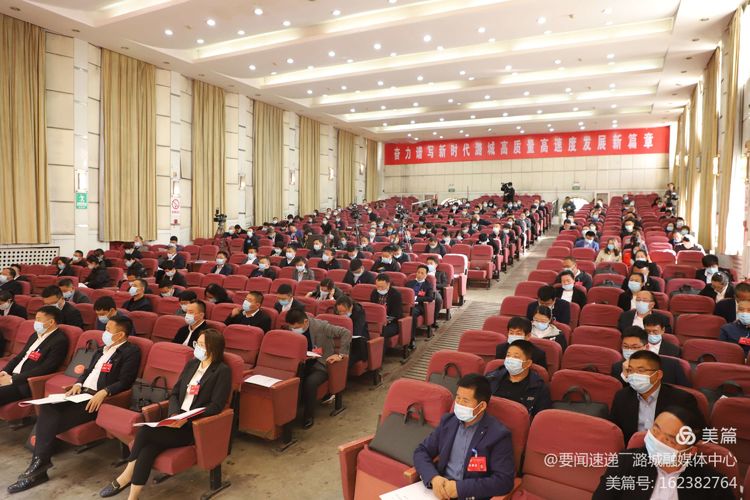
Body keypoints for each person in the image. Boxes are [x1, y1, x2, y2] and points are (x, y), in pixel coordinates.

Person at [7, 317, 141, 493]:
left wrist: (105, 392)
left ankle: (37, 468)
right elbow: (87, 371)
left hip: (98, 400)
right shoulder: (101, 350)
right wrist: (78, 383)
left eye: (108, 330)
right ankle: (39, 465)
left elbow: (125, 381)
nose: (104, 333)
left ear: (120, 335)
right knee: (48, 407)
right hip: (81, 394)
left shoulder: (130, 352)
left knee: (49, 420)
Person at [99, 329, 231, 499]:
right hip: (175, 418)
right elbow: (174, 393)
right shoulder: (192, 364)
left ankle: (126, 476)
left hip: (193, 426)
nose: (197, 348)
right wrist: (174, 414)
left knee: (145, 431)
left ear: (213, 348)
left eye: (202, 345)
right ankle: (133, 497)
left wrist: (187, 419)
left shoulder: (222, 371)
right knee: (147, 451)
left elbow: (216, 406)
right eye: (197, 343)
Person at [593, 407, 733, 500]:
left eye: (669, 440)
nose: (657, 441)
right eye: (655, 431)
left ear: (690, 452)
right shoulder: (625, 462)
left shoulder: (713, 484)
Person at [413, 374, 515, 499]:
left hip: (469, 494)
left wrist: (460, 489)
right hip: (439, 491)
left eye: (465, 401)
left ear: (481, 406)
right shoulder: (448, 422)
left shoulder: (498, 435)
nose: (459, 404)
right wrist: (433, 478)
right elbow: (421, 451)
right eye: (458, 398)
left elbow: (504, 481)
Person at [609, 349, 700, 442]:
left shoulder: (682, 399)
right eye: (630, 370)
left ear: (658, 375)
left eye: (641, 370)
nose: (634, 375)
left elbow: (697, 433)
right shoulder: (622, 397)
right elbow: (614, 432)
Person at [286, 309, 351, 429]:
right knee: (292, 380)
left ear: (305, 322)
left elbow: (346, 333)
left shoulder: (321, 326)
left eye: (296, 327)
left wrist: (341, 355)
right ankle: (290, 414)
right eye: (291, 327)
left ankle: (308, 416)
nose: (293, 330)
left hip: (321, 363)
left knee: (310, 383)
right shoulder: (291, 328)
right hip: (302, 362)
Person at [0, 306, 69, 405]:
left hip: (24, 383)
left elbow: (46, 368)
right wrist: (4, 371)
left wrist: (12, 380)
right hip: (12, 376)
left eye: (39, 320)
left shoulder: (59, 341)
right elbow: (20, 357)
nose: (35, 323)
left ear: (51, 322)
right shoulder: (35, 335)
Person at [487, 339, 551, 416]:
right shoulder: (491, 378)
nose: (510, 360)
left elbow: (540, 417)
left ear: (528, 363)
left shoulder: (539, 388)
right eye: (508, 355)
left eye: (516, 357)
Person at [611, 327, 689, 387]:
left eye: (634, 347)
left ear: (646, 347)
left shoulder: (672, 366)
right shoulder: (617, 368)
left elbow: (686, 393)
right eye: (625, 346)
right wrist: (625, 377)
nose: (629, 350)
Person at [405, 265, 435, 347]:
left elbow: (430, 298)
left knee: (412, 313)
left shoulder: (428, 285)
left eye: (422, 273)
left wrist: (416, 298)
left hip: (419, 306)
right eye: (418, 272)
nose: (419, 274)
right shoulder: (409, 283)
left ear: (426, 275)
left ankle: (411, 338)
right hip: (408, 304)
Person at [335, 296, 368, 366]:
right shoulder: (336, 310)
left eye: (344, 311)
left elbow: (357, 332)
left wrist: (347, 322)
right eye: (340, 312)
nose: (342, 314)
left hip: (357, 343)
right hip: (341, 342)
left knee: (344, 361)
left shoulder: (359, 312)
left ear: (351, 307)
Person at [370, 274, 402, 339]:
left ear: (388, 284)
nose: (379, 289)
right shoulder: (374, 293)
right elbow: (373, 308)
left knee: (382, 332)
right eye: (378, 286)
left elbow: (396, 314)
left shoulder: (396, 295)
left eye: (382, 287)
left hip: (392, 322)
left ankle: (382, 346)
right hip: (377, 321)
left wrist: (385, 321)